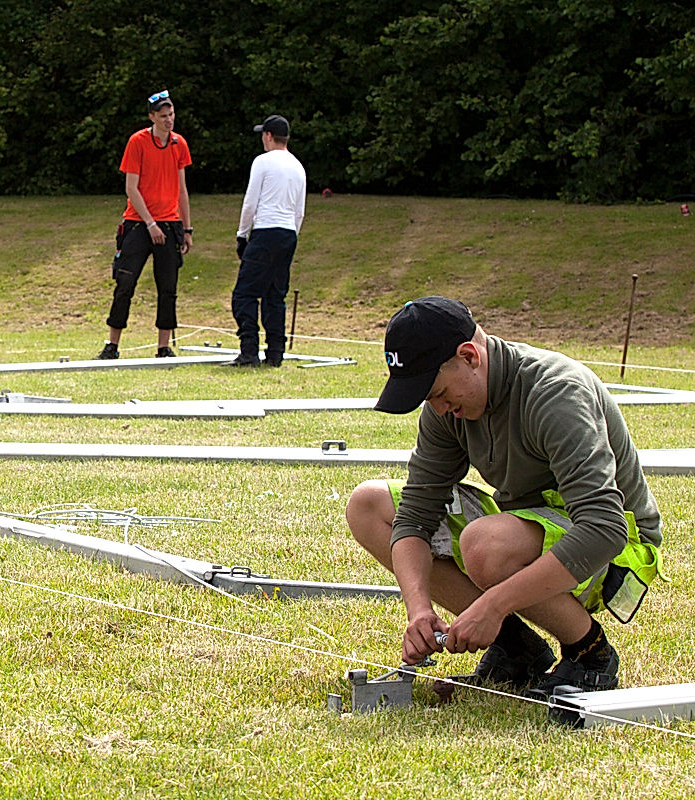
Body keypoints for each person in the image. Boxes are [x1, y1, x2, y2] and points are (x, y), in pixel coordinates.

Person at [345, 297, 661, 699]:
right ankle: (517, 649)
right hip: (529, 526)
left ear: (470, 356)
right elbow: (414, 517)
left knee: (485, 545)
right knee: (368, 504)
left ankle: (590, 654)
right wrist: (419, 610)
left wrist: (493, 605)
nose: (439, 408)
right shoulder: (447, 410)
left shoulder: (556, 392)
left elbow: (604, 528)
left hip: (620, 550)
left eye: (438, 392)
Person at [96, 89, 193, 360]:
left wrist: (186, 229)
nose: (168, 120)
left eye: (171, 114)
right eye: (163, 116)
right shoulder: (137, 142)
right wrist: (150, 223)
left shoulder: (179, 144)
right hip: (139, 223)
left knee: (168, 286)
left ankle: (163, 347)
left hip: (171, 223)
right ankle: (112, 345)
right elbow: (131, 188)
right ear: (151, 117)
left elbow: (182, 189)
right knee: (125, 282)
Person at [225, 114, 306, 368]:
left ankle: (249, 350)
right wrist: (292, 234)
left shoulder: (263, 162)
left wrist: (242, 233)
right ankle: (275, 353)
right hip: (288, 232)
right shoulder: (298, 167)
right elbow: (300, 211)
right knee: (275, 294)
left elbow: (251, 201)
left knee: (244, 294)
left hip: (266, 230)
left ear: (269, 136)